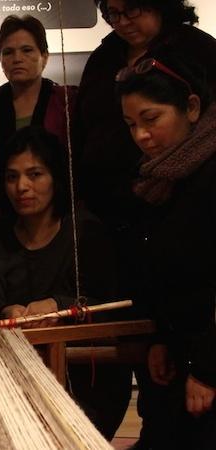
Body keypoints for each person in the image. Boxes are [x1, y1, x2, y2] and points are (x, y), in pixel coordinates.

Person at [0, 126, 130, 438]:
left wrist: (57, 306)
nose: (22, 187)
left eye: (35, 174)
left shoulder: (86, 232)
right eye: (11, 177)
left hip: (90, 378)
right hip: (17, 376)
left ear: (56, 177)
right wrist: (8, 313)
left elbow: (110, 305)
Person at [74, 0, 216, 308]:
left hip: (181, 199)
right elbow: (83, 129)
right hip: (112, 213)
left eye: (132, 9)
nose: (122, 21)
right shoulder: (103, 59)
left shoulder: (198, 49)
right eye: (113, 13)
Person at [118, 55, 216, 448]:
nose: (141, 135)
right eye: (131, 126)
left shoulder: (207, 176)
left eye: (151, 119)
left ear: (191, 108)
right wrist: (158, 338)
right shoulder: (160, 182)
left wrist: (208, 370)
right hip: (179, 353)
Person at [0, 15, 76, 240]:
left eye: (27, 50)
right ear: (0, 59)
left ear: (44, 56)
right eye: (8, 52)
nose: (17, 58)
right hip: (2, 223)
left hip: (61, 224)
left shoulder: (69, 103)